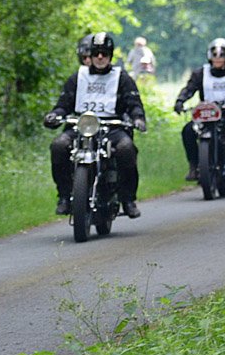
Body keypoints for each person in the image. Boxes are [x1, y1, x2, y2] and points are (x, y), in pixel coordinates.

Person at [43, 31, 147, 218]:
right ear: (89, 55)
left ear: (110, 56)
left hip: (112, 128)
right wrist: (54, 115)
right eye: (96, 53)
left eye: (104, 53)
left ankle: (127, 199)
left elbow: (134, 104)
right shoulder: (78, 77)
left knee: (126, 149)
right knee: (58, 146)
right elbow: (63, 104)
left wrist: (138, 118)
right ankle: (64, 196)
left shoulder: (121, 78)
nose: (100, 57)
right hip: (81, 127)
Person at [174, 37, 225, 181]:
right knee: (188, 131)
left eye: (222, 56)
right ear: (209, 56)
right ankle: (194, 166)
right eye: (215, 55)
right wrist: (180, 101)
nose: (218, 59)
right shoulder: (200, 73)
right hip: (206, 113)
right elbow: (189, 89)